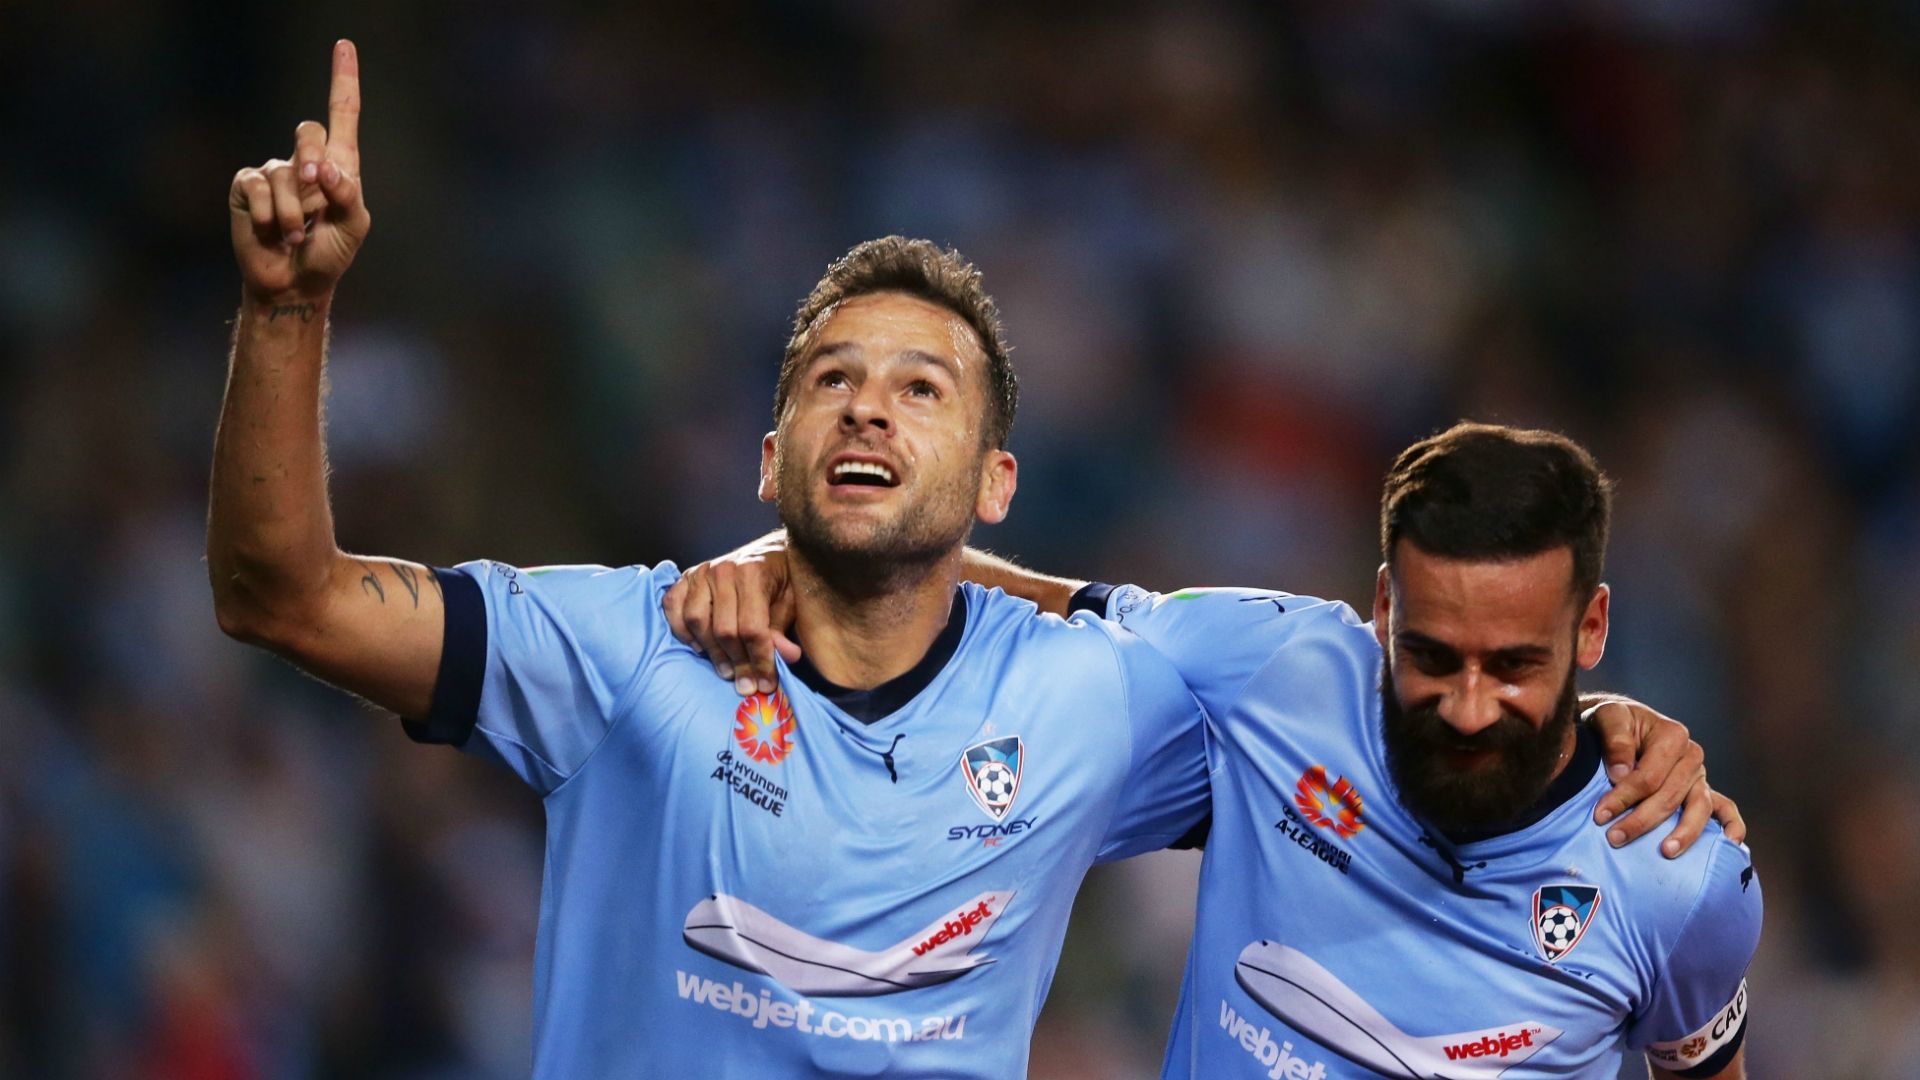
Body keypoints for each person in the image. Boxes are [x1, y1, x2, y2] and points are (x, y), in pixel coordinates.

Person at [209, 43, 1727, 1077]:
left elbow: (1436, 709)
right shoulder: (620, 649)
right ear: (769, 461)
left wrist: (1613, 730)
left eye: (922, 388)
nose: (870, 401)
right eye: (831, 380)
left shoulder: (1101, 698)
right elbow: (282, 593)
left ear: (998, 484)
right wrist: (287, 314)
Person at [673, 425, 1760, 1077]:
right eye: (1433, 656)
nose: (1470, 708)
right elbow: (1027, 601)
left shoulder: (1678, 875)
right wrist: (805, 555)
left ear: (1593, 631)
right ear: (1382, 607)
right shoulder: (1273, 670)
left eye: (1516, 666)